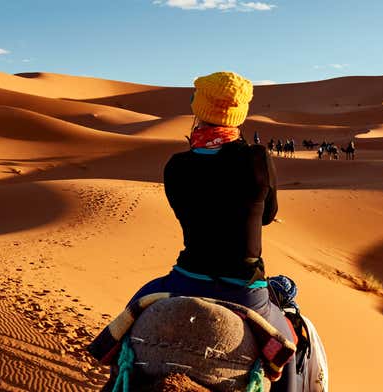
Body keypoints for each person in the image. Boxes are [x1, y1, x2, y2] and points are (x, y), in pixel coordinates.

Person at [125, 72, 298, 391]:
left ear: (198, 109)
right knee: (290, 346)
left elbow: (183, 211)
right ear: (239, 114)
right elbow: (268, 216)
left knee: (127, 325)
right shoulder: (257, 158)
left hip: (186, 278)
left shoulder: (176, 166)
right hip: (244, 288)